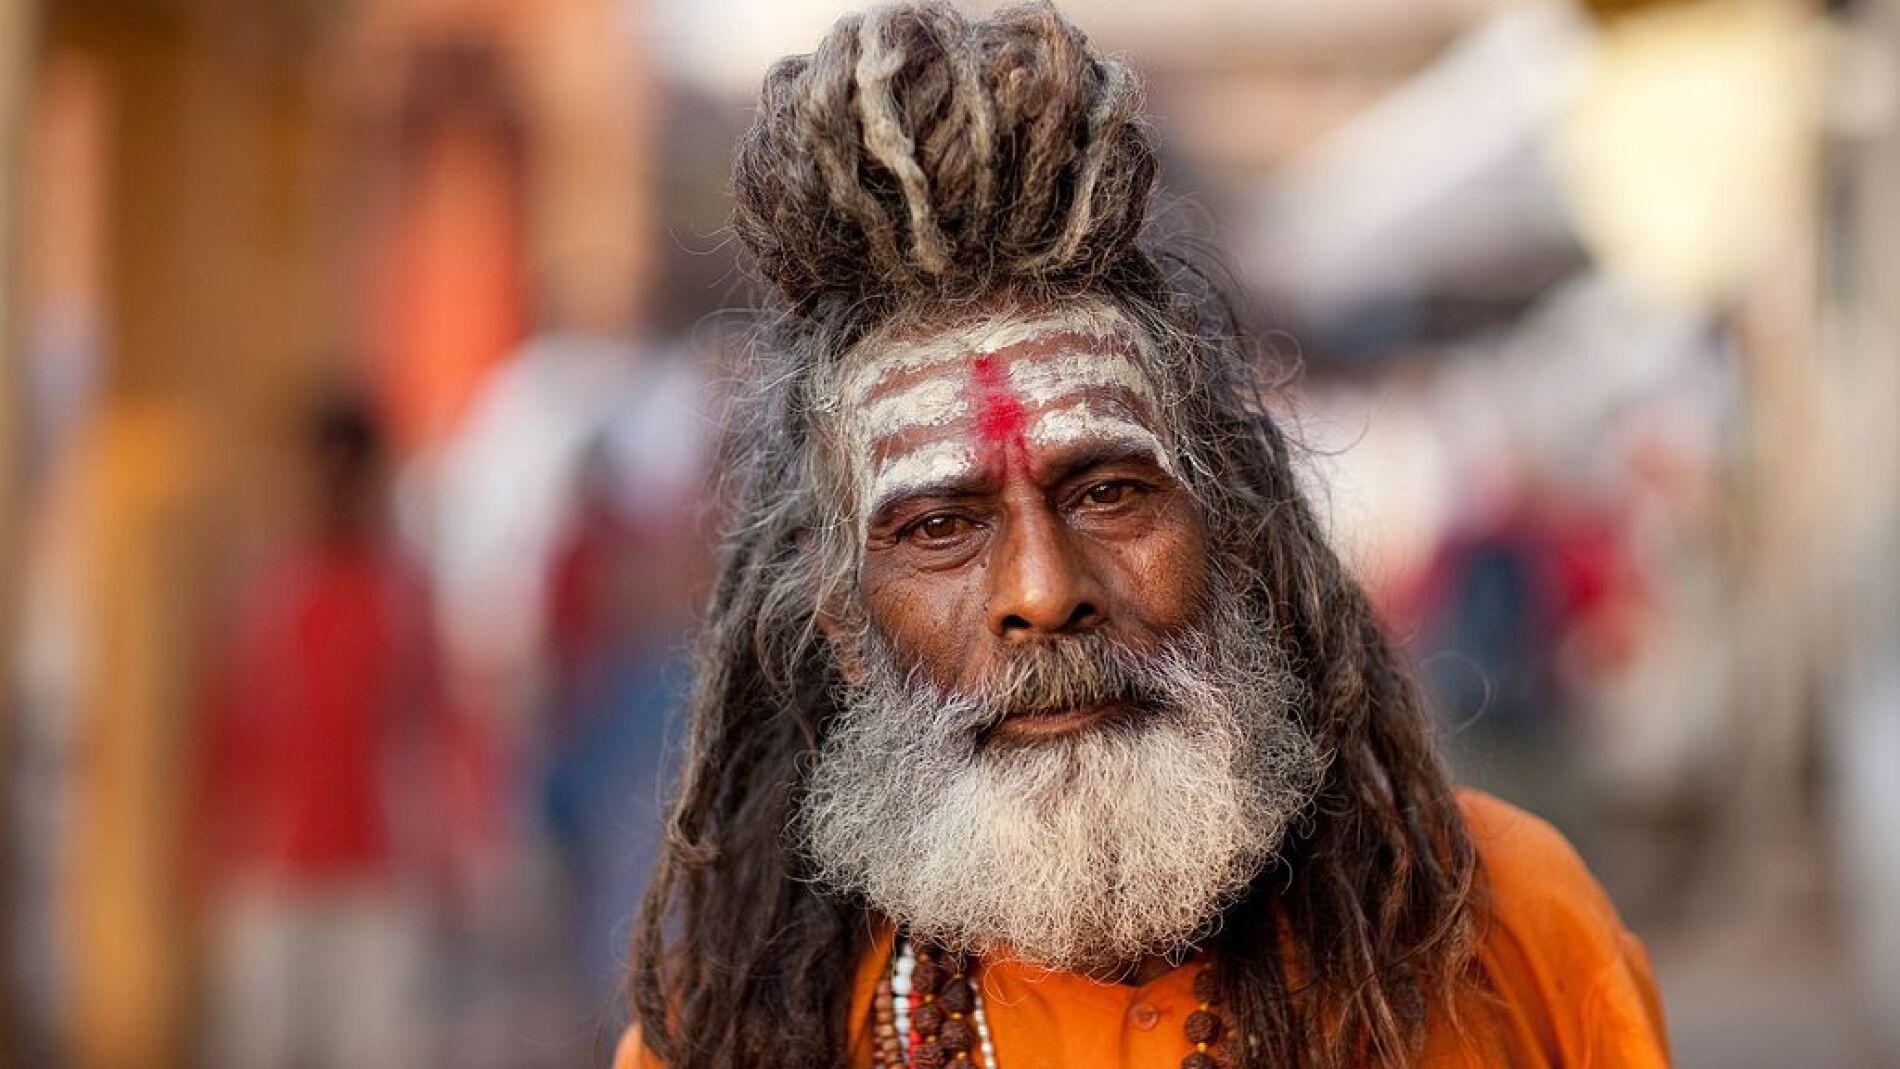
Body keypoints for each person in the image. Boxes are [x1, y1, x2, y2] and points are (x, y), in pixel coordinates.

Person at [617, 3, 1669, 1067]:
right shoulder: (742, 1034)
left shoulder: (1504, 929)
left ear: (1232, 536)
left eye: (1108, 493)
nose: (1042, 588)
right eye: (940, 525)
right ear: (846, 626)